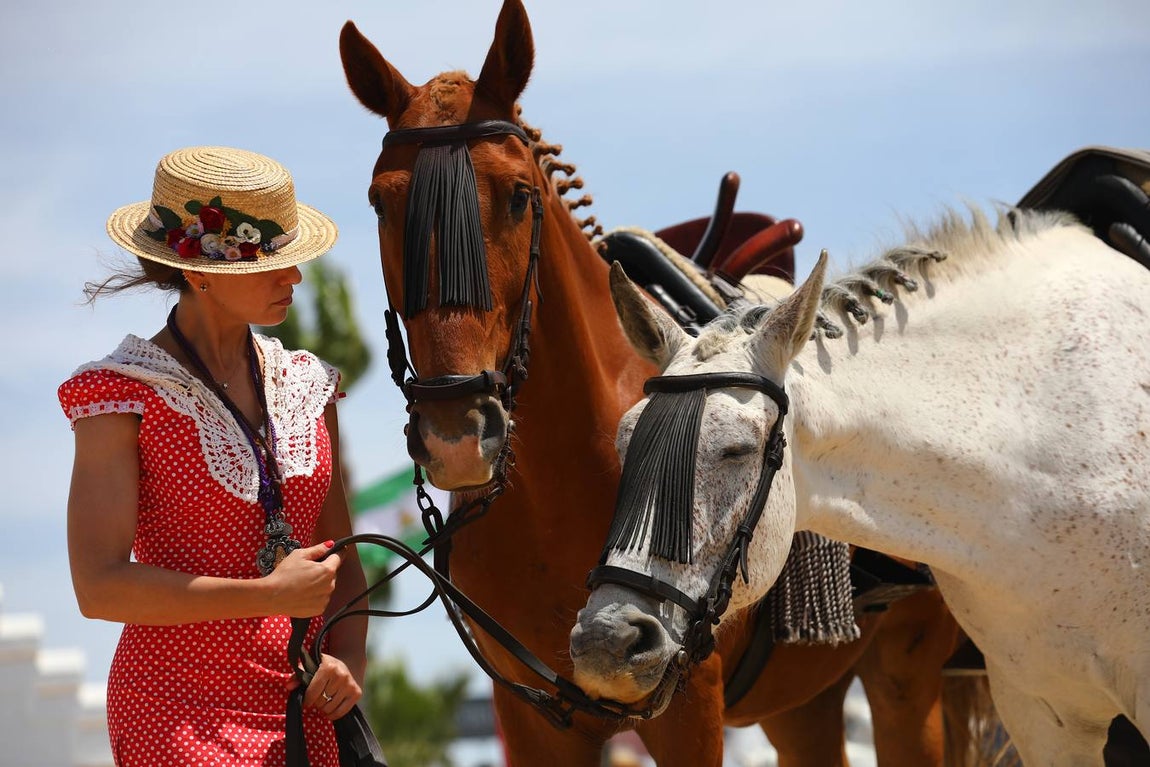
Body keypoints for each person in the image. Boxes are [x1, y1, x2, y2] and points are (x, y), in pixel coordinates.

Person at [58, 145, 368, 765]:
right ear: (200, 274)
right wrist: (268, 595)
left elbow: (343, 561)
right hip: (175, 711)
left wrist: (348, 661)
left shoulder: (310, 385)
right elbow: (99, 587)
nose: (294, 278)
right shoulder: (120, 395)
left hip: (305, 709)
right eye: (271, 264)